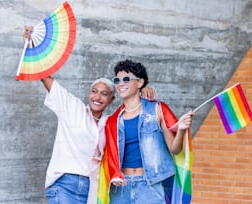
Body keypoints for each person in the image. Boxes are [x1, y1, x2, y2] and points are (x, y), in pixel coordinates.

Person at [22, 28, 156, 204]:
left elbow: (134, 112)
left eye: (104, 94)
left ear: (111, 99)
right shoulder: (72, 108)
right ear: (89, 94)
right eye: (94, 91)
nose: (97, 97)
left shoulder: (112, 123)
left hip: (93, 189)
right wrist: (32, 44)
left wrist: (142, 91)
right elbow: (45, 77)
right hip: (64, 185)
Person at [104, 59, 195, 204]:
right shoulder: (112, 121)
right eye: (117, 80)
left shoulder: (157, 109)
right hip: (121, 187)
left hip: (150, 184)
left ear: (140, 83)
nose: (120, 84)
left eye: (126, 79)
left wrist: (182, 130)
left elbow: (175, 149)